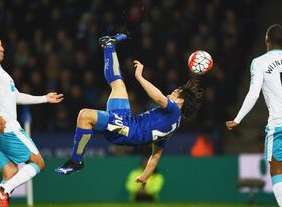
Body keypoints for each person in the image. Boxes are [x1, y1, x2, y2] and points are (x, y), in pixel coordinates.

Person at [55, 34, 203, 187]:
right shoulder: (172, 125)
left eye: (176, 92)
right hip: (127, 121)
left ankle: (76, 160)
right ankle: (109, 46)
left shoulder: (173, 110)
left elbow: (159, 98)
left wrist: (139, 77)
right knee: (118, 84)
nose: (171, 92)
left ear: (180, 101)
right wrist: (145, 176)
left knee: (84, 115)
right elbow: (156, 155)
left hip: (125, 130)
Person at [225, 24, 282, 207]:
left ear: (266, 39)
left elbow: (253, 93)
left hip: (279, 123)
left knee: (277, 171)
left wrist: (238, 119)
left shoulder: (259, 62)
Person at [0, 34, 63, 207]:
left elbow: (15, 96)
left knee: (10, 172)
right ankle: (3, 190)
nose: (2, 49)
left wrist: (44, 98)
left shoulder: (0, 72)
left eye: (2, 45)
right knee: (39, 163)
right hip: (5, 128)